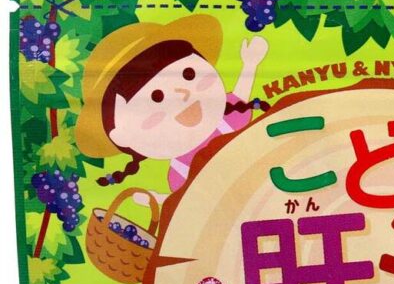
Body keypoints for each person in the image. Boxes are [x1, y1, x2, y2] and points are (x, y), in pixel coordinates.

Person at [76, 15, 269, 205]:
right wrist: (155, 199)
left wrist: (250, 64)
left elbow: (241, 100)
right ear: (122, 136)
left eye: (188, 74)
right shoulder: (181, 170)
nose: (182, 94)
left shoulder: (226, 122)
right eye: (156, 97)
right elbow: (186, 202)